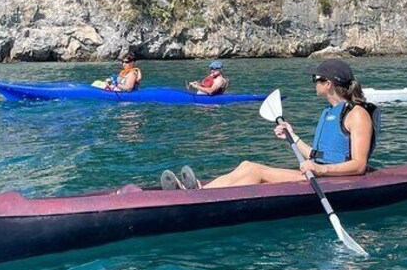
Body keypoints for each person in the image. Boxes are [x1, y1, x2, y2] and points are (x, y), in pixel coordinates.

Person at [160, 59, 379, 190]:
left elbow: (358, 165)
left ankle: (199, 196)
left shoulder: (357, 114)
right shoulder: (329, 112)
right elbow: (315, 154)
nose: (314, 83)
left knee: (255, 171)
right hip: (319, 173)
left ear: (328, 84)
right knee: (247, 165)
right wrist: (292, 136)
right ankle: (200, 189)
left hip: (336, 182)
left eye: (316, 79)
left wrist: (320, 170)